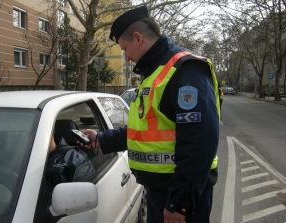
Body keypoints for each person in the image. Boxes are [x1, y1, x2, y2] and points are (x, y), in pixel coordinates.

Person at [80, 5, 220, 223]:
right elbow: (144, 132)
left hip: (180, 197)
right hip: (160, 193)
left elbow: (200, 142)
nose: (125, 58)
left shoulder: (185, 69)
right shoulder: (154, 73)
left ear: (138, 38)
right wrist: (101, 139)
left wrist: (179, 203)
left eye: (124, 49)